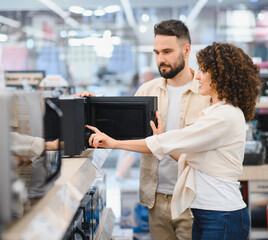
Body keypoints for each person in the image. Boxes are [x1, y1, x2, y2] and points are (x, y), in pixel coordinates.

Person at [86, 42, 262, 239]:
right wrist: (93, 105)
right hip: (207, 214)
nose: (197, 76)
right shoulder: (217, 112)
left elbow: (169, 142)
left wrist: (114, 143)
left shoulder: (224, 116)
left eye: (204, 70)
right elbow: (188, 160)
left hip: (222, 217)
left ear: (222, 75)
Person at [77, 20, 211, 240]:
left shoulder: (206, 93)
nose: (161, 59)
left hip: (193, 200)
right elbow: (119, 126)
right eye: (157, 52)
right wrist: (91, 107)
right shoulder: (147, 91)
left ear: (186, 50)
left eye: (167, 52)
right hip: (155, 200)